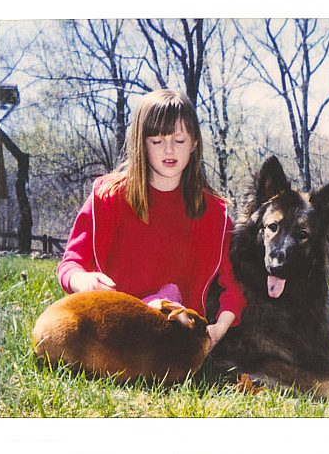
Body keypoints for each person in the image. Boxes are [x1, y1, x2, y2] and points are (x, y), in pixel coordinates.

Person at [57, 89, 246, 351]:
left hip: (175, 336)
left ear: (194, 143)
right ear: (141, 143)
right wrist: (84, 282)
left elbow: (234, 285)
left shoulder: (215, 214)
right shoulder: (107, 197)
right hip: (112, 323)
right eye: (157, 141)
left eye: (179, 141)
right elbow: (70, 264)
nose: (169, 150)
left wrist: (220, 328)